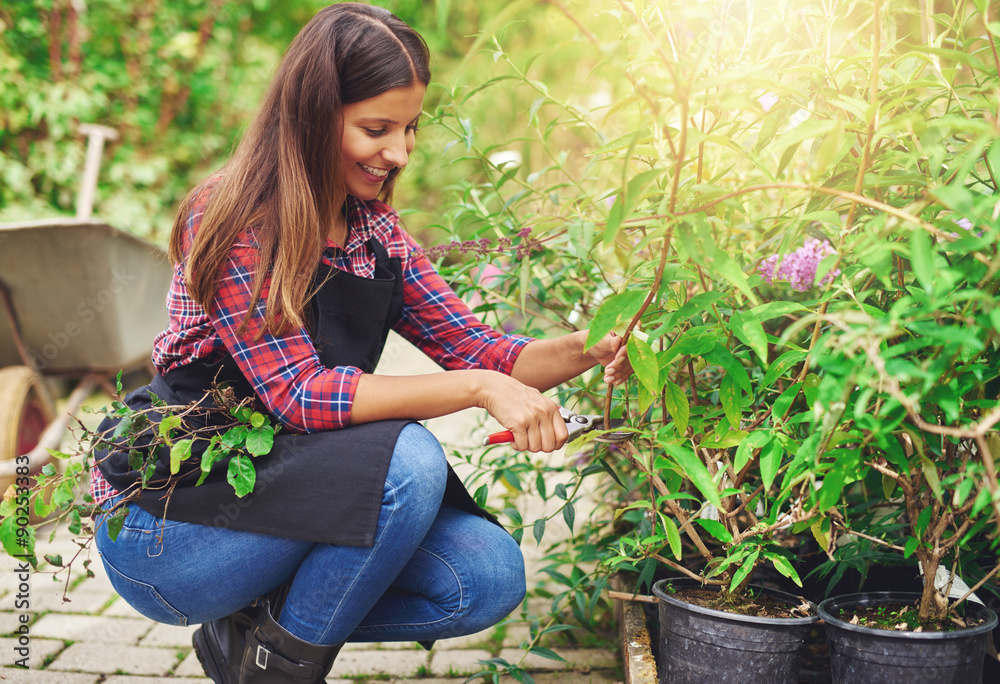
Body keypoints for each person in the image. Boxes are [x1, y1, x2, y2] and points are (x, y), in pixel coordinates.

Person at [91, 3, 631, 683]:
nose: (400, 153)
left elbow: (489, 354)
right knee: (405, 464)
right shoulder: (231, 218)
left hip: (291, 492)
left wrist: (598, 342)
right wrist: (479, 391)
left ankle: (253, 639)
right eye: (376, 129)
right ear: (314, 115)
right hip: (174, 522)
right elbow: (300, 394)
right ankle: (275, 672)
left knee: (484, 577)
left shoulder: (375, 235)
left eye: (409, 128)